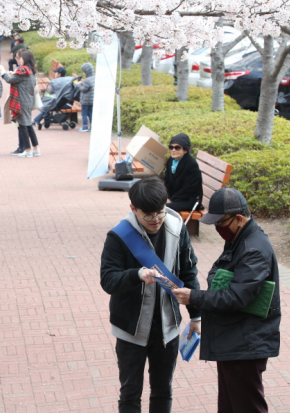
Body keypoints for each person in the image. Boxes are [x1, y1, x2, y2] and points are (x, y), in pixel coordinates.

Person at [173, 188, 281, 413]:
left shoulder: (254, 249)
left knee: (246, 406)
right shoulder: (241, 237)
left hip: (246, 343)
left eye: (221, 223)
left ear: (239, 218)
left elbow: (236, 297)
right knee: (230, 405)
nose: (218, 229)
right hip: (235, 337)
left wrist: (194, 297)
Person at [100, 177, 201, 413]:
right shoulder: (118, 237)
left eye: (160, 212)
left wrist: (196, 317)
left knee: (163, 390)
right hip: (131, 330)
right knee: (130, 393)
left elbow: (188, 272)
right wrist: (136, 274)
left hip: (168, 327)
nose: (156, 220)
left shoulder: (176, 226)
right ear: (133, 208)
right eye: (148, 215)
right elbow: (108, 280)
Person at [0, 50, 40, 158]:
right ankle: (35, 148)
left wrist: (3, 72)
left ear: (24, 59)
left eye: (20, 58)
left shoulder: (23, 70)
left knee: (23, 126)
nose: (18, 60)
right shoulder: (29, 70)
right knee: (29, 125)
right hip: (28, 100)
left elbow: (9, 80)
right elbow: (17, 78)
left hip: (21, 101)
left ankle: (27, 150)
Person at [163, 133, 203, 212]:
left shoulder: (191, 164)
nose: (173, 150)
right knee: (152, 202)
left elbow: (188, 188)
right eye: (171, 147)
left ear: (185, 150)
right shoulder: (170, 161)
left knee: (162, 208)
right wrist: (167, 197)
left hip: (189, 200)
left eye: (177, 148)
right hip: (175, 197)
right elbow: (167, 181)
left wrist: (171, 200)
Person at [77, 62, 95, 132]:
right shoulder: (93, 78)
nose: (83, 73)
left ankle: (85, 126)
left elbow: (83, 89)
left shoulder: (87, 80)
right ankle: (92, 126)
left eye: (84, 72)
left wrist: (78, 85)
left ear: (86, 72)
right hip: (92, 100)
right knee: (90, 113)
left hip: (85, 101)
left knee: (84, 113)